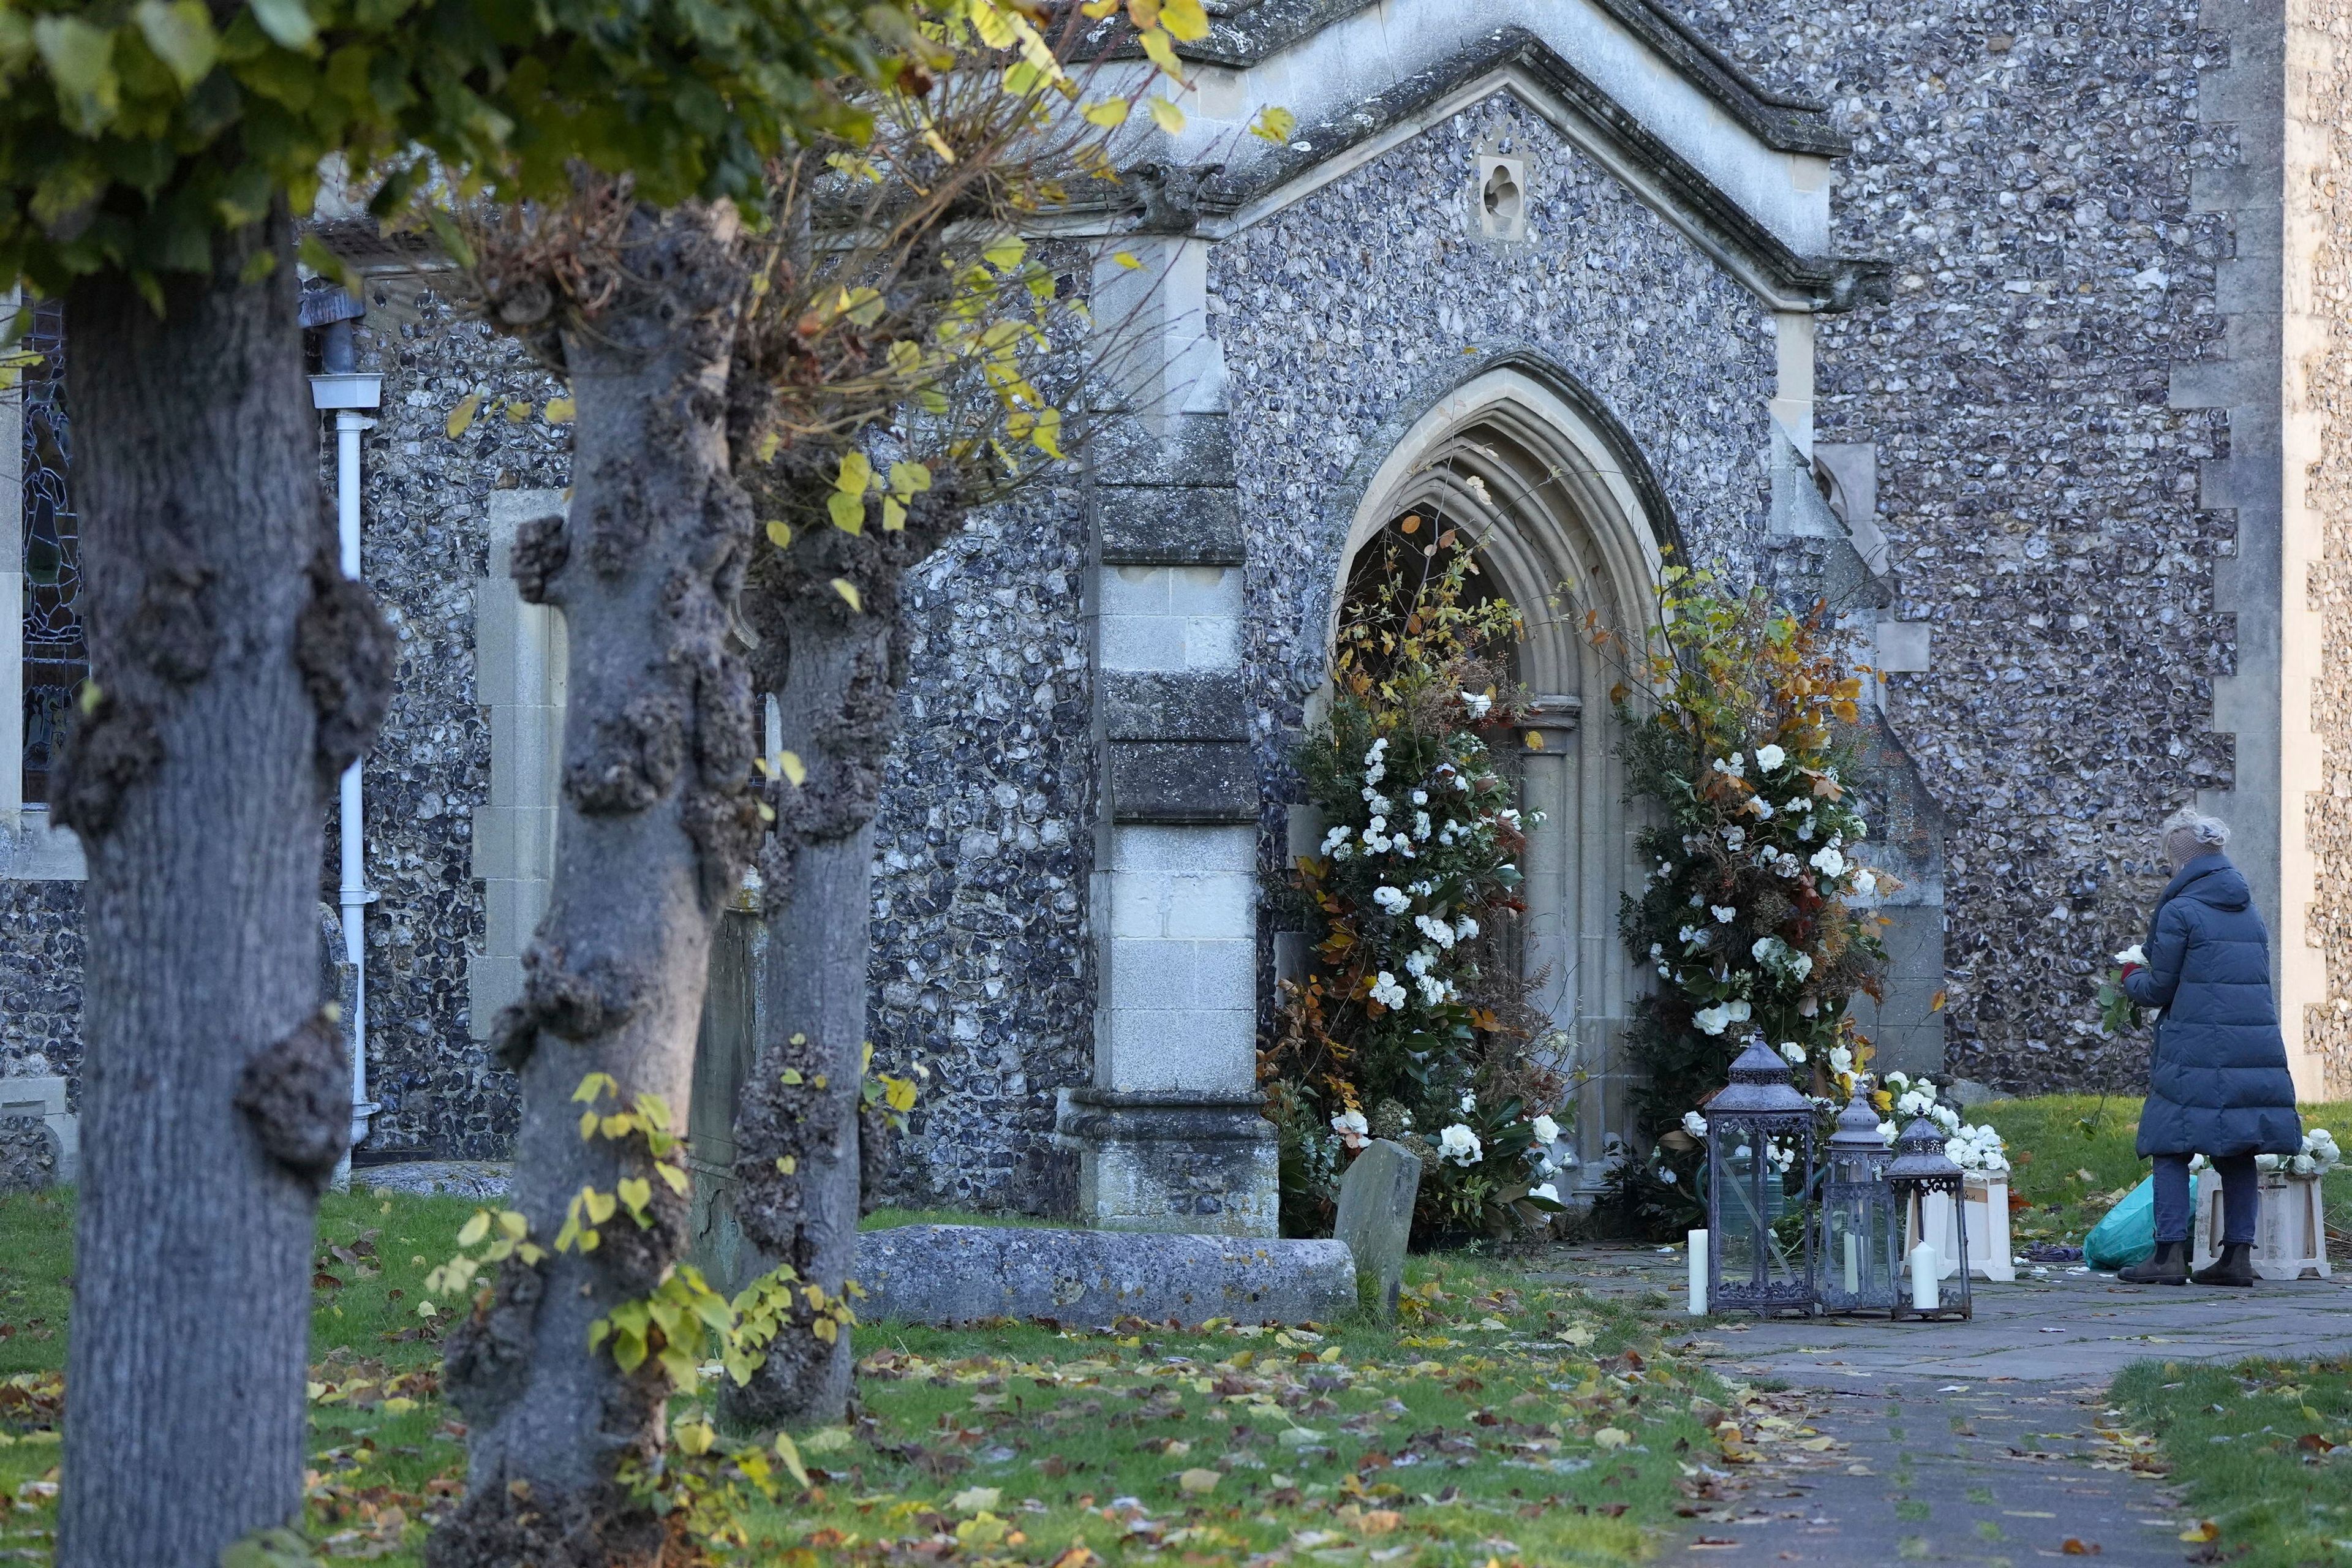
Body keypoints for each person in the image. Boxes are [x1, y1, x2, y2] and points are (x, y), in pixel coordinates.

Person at [2114, 807, 2302, 1287]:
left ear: (2180, 860)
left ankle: (2168, 1256)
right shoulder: (2248, 908)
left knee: (2170, 1143)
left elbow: (2160, 989)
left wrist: (2130, 977)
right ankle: (2237, 1258)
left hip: (2195, 1047)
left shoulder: (2180, 910)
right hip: (2251, 1045)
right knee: (2238, 1147)